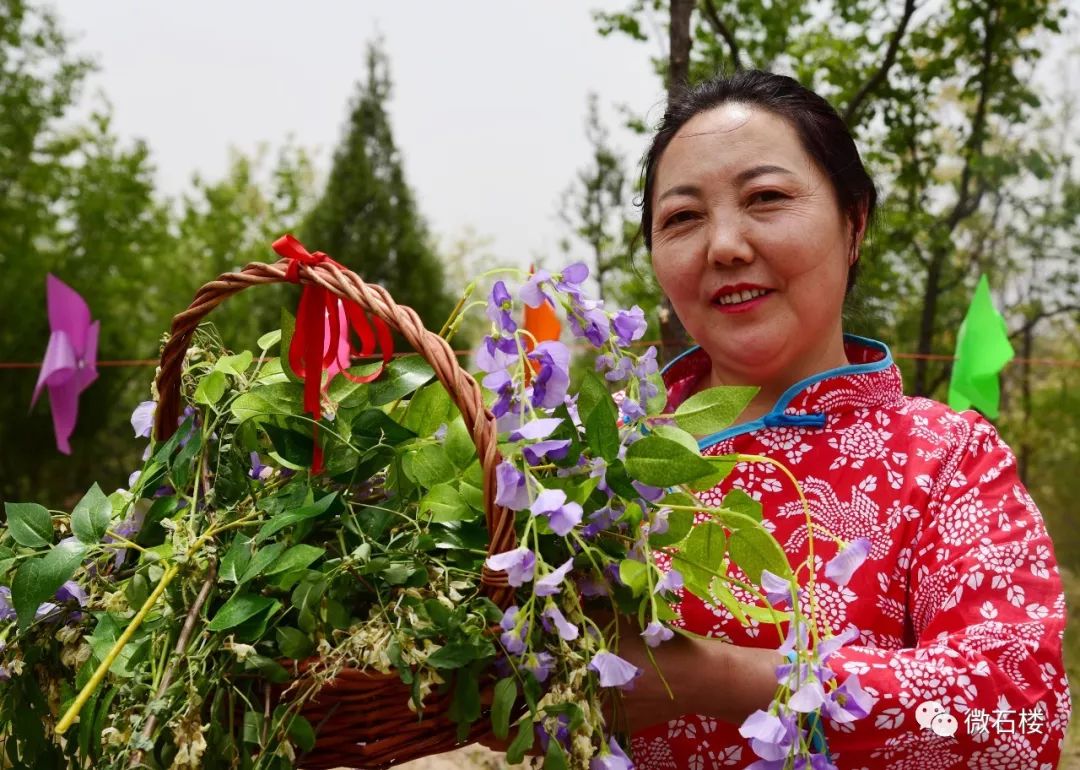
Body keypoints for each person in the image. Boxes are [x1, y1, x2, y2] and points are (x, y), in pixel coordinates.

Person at [612, 70, 1072, 769]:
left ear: (854, 222)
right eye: (682, 217)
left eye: (765, 198)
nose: (725, 245)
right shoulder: (605, 464)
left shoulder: (946, 456)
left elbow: (1016, 709)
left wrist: (712, 679)